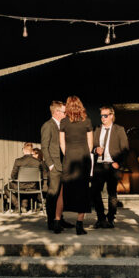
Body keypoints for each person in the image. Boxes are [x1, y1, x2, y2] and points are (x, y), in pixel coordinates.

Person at [57, 95, 94, 235]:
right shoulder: (87, 121)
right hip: (83, 159)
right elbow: (90, 144)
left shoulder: (64, 122)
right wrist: (84, 154)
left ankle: (56, 220)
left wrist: (69, 155)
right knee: (83, 190)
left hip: (69, 159)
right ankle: (79, 224)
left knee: (64, 189)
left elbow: (62, 143)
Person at [91, 106, 129, 229]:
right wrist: (96, 149)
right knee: (95, 192)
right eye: (101, 116)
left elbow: (125, 149)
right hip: (99, 165)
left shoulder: (119, 129)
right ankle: (101, 218)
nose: (103, 118)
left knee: (112, 194)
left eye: (105, 115)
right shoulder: (97, 129)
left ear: (112, 115)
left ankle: (111, 218)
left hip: (112, 166)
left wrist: (119, 163)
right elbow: (91, 146)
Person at [41, 101, 67, 232]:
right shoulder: (48, 125)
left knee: (62, 194)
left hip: (63, 165)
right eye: (64, 112)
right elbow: (44, 147)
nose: (66, 114)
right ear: (57, 112)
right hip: (55, 166)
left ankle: (59, 219)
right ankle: (51, 222)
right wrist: (50, 164)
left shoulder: (62, 125)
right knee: (53, 194)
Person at [6, 142, 45, 211]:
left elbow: (13, 176)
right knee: (25, 187)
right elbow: (41, 176)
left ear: (24, 150)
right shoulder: (38, 162)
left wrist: (19, 178)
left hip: (20, 186)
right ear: (31, 151)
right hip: (34, 187)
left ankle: (17, 206)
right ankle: (24, 206)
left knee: (6, 187)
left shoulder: (18, 161)